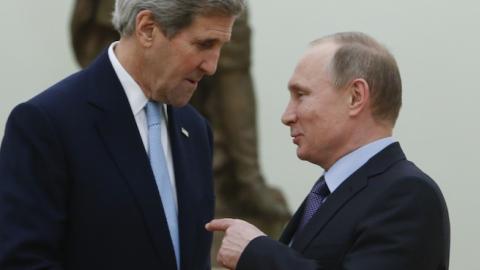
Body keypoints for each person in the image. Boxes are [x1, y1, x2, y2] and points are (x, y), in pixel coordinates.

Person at [0, 0, 244, 269]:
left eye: (222, 47)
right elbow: (22, 261)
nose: (212, 66)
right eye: (204, 44)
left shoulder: (196, 130)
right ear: (147, 29)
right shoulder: (46, 124)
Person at [206, 32, 450, 270]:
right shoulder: (328, 192)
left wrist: (256, 253)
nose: (287, 116)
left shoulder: (408, 194)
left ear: (355, 97)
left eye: (301, 95)